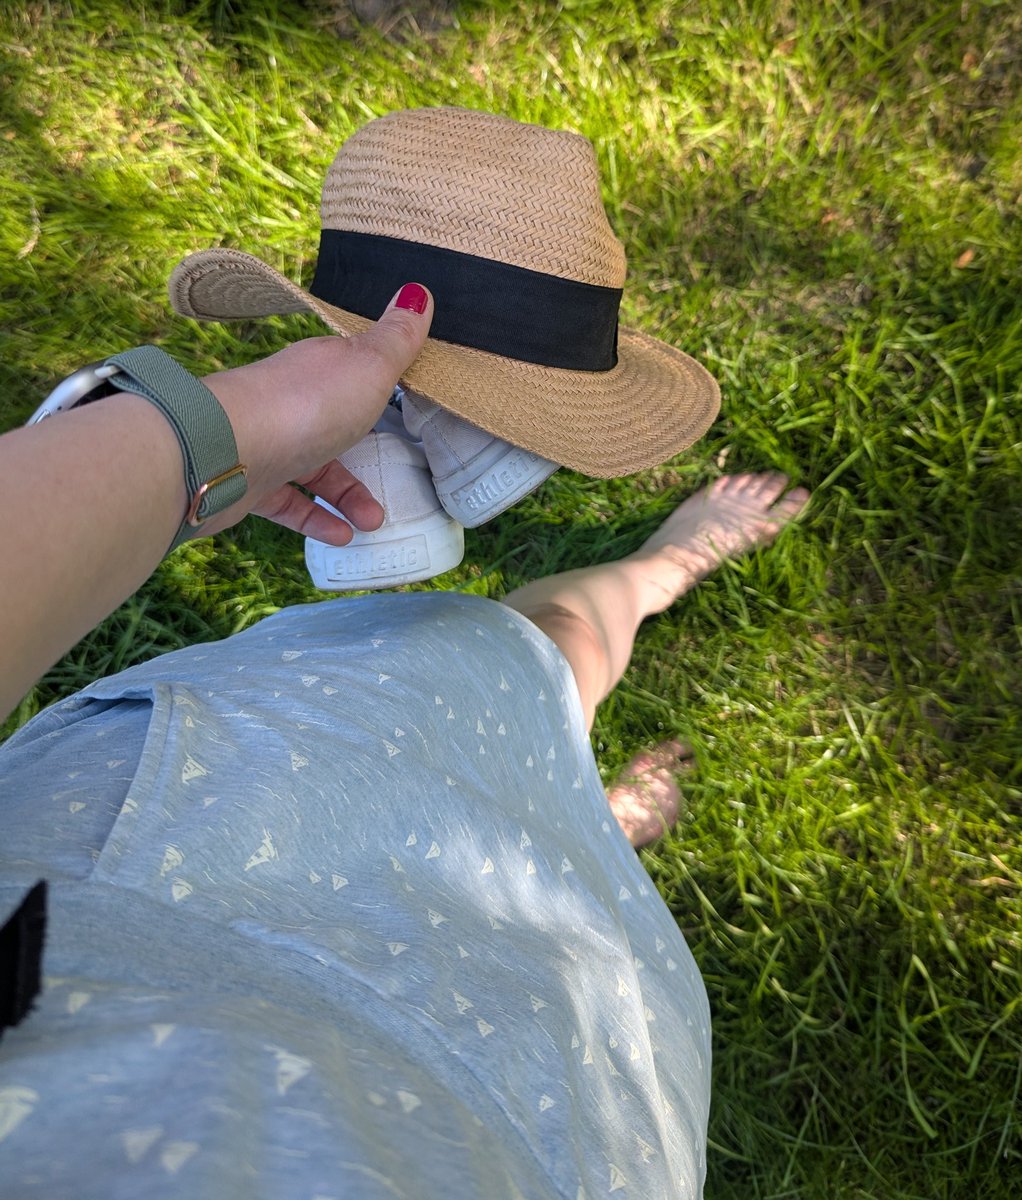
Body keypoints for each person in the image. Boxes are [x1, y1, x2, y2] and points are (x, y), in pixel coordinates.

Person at [0, 107, 809, 1198]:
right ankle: (583, 836)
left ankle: (648, 598)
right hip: (502, 1110)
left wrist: (219, 432)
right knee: (522, 722)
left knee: (518, 653)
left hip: (178, 808)